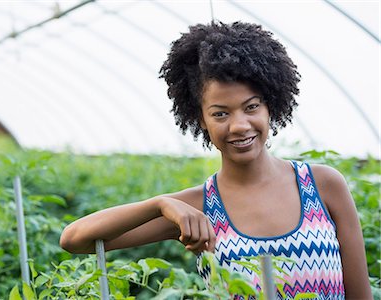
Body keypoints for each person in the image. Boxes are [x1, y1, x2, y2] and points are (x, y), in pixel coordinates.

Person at [60, 21, 372, 299]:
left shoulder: (323, 186)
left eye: (251, 107)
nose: (239, 125)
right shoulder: (199, 208)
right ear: (200, 120)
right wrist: (161, 204)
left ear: (270, 106)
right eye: (220, 113)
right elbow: (75, 239)